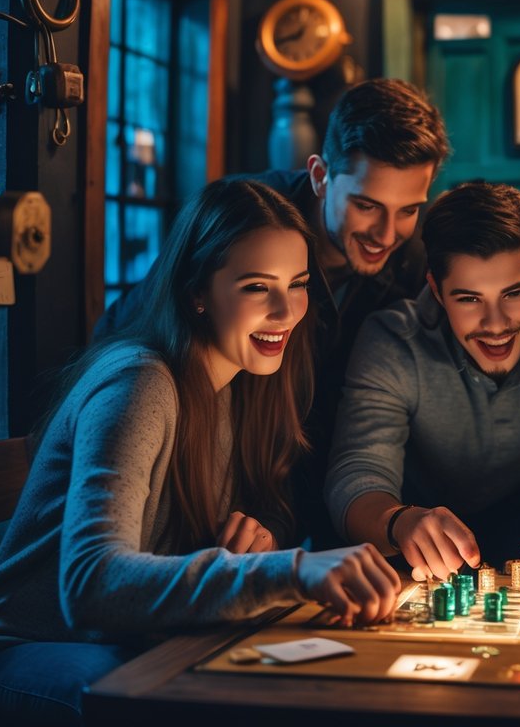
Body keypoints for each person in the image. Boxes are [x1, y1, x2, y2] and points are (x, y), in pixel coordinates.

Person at [0, 179, 400, 726]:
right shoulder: (140, 383)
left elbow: (262, 507)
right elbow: (90, 584)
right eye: (257, 287)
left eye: (297, 284)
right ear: (196, 293)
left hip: (135, 638)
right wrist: (292, 569)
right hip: (29, 649)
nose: (286, 311)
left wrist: (264, 538)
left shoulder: (248, 382)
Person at [96, 78, 451, 547]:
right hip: (183, 506)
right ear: (321, 176)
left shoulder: (411, 264)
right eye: (366, 205)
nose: (386, 233)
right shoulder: (248, 226)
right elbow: (142, 336)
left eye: (408, 210)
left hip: (292, 504)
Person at [325, 182, 520, 581]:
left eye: (514, 293)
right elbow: (357, 471)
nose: (496, 325)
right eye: (469, 299)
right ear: (436, 291)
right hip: (407, 546)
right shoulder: (392, 341)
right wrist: (400, 522)